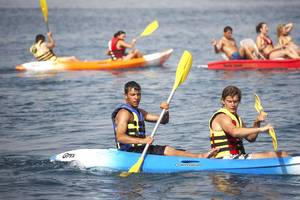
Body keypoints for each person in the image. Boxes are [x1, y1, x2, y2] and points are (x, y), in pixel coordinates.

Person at [112, 81, 218, 158]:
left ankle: (197, 156)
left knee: (173, 150)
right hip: (129, 152)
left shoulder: (139, 112)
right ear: (126, 96)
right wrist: (142, 140)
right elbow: (120, 137)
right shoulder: (124, 113)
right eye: (133, 95)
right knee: (167, 150)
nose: (136, 98)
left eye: (138, 94)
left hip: (140, 149)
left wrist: (166, 111)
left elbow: (163, 120)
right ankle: (200, 156)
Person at [209, 85, 288, 159]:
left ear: (239, 101)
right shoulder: (222, 117)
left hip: (237, 158)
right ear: (223, 101)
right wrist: (261, 129)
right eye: (229, 101)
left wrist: (257, 122)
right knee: (282, 155)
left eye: (235, 101)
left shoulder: (237, 118)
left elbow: (251, 138)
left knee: (282, 154)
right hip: (224, 160)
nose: (233, 104)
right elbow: (234, 132)